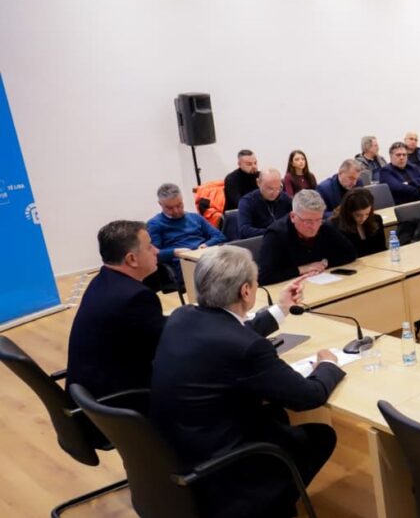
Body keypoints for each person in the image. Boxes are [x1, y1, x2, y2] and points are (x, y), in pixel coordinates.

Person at [150, 246, 345, 518]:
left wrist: (281, 309)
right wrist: (328, 364)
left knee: (276, 413)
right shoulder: (248, 348)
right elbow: (308, 396)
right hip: (221, 466)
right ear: (245, 291)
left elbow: (231, 333)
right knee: (321, 435)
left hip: (179, 450)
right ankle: (266, 508)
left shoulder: (182, 317)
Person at [67, 220, 164, 398]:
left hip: (89, 394)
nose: (156, 251)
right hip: (121, 399)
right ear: (131, 259)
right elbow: (167, 345)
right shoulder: (136, 297)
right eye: (149, 247)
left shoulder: (102, 280)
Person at [258, 189, 356, 285]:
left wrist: (325, 263)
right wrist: (302, 269)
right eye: (308, 221)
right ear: (293, 217)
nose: (314, 226)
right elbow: (264, 277)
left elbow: (350, 252)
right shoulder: (276, 235)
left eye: (318, 220)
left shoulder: (324, 226)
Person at [147, 183, 225, 284]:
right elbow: (153, 255)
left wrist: (206, 245)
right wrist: (174, 252)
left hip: (204, 257)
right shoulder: (155, 224)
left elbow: (219, 236)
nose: (176, 211)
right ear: (160, 204)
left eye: (179, 205)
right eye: (169, 208)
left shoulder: (195, 218)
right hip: (182, 264)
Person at [329, 188, 387, 257]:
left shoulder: (376, 220)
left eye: (367, 214)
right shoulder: (335, 226)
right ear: (348, 212)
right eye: (358, 215)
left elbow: (382, 249)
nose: (363, 218)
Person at [238, 168, 293, 239]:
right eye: (270, 188)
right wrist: (272, 232)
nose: (274, 192)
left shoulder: (284, 197)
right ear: (258, 183)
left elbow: (296, 218)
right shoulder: (247, 202)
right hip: (260, 240)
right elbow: (244, 231)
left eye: (278, 188)